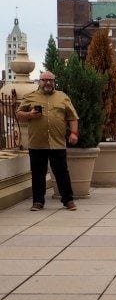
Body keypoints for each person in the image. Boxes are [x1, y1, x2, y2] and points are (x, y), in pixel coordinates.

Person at [16, 70, 79, 211]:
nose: (48, 83)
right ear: (40, 81)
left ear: (54, 82)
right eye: (45, 80)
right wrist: (30, 114)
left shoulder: (63, 97)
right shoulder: (30, 97)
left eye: (50, 80)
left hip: (57, 142)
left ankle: (68, 200)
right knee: (38, 174)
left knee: (62, 172)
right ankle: (38, 202)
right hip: (37, 143)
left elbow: (72, 117)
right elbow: (19, 114)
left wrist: (74, 133)